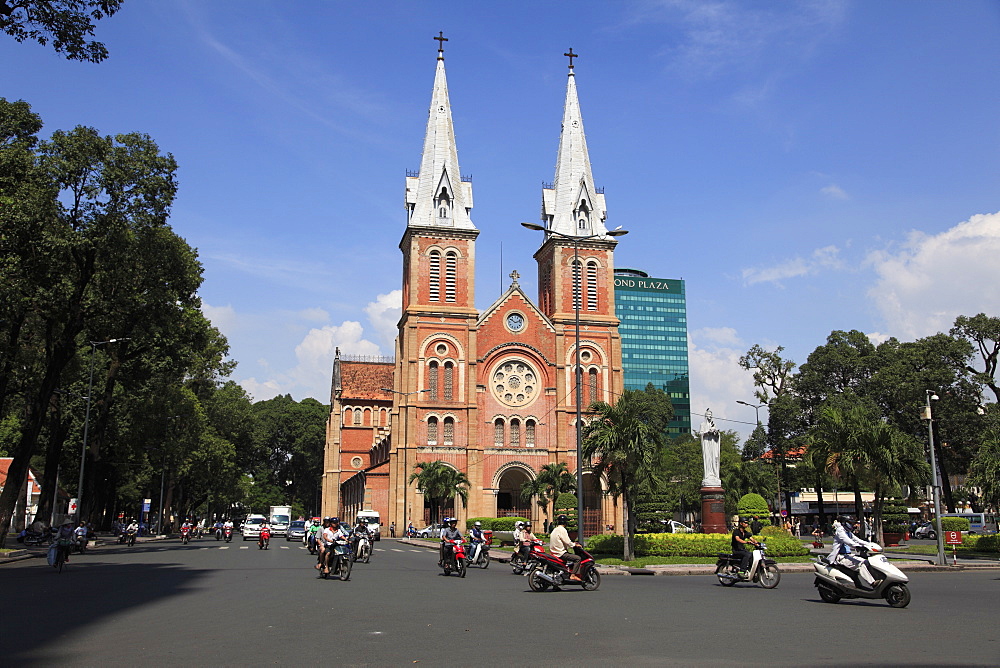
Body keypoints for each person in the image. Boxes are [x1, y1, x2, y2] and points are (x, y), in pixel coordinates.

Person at [549, 515, 581, 581]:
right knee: (577, 558)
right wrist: (574, 545)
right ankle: (573, 575)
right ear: (565, 523)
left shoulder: (555, 530)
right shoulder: (562, 530)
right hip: (561, 553)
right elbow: (567, 542)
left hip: (553, 552)